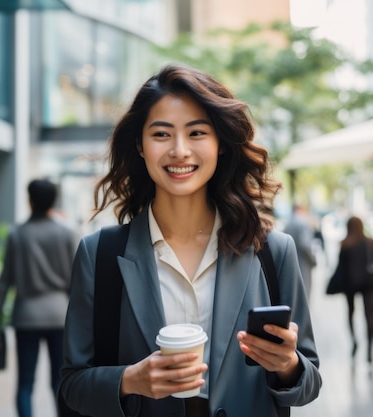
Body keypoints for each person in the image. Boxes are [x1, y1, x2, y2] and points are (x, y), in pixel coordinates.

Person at [59, 64, 321, 417]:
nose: (180, 151)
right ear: (140, 145)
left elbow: (309, 384)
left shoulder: (273, 251)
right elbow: (72, 384)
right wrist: (129, 381)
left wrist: (287, 363)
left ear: (220, 144)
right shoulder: (99, 253)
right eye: (161, 134)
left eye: (197, 133)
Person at [0, 179, 78, 417]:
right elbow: (78, 281)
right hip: (60, 316)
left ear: (30, 200)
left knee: (25, 383)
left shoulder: (18, 234)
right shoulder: (67, 233)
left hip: (26, 316)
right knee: (60, 380)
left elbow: (4, 282)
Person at [335, 216, 373, 363]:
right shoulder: (370, 242)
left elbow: (340, 269)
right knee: (369, 315)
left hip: (350, 284)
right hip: (368, 283)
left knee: (351, 312)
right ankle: (369, 350)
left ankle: (354, 341)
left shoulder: (345, 245)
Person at [283, 204, 317, 299]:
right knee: (304, 292)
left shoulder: (288, 224)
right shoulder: (304, 224)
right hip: (303, 263)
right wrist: (313, 260)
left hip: (291, 263)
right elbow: (306, 245)